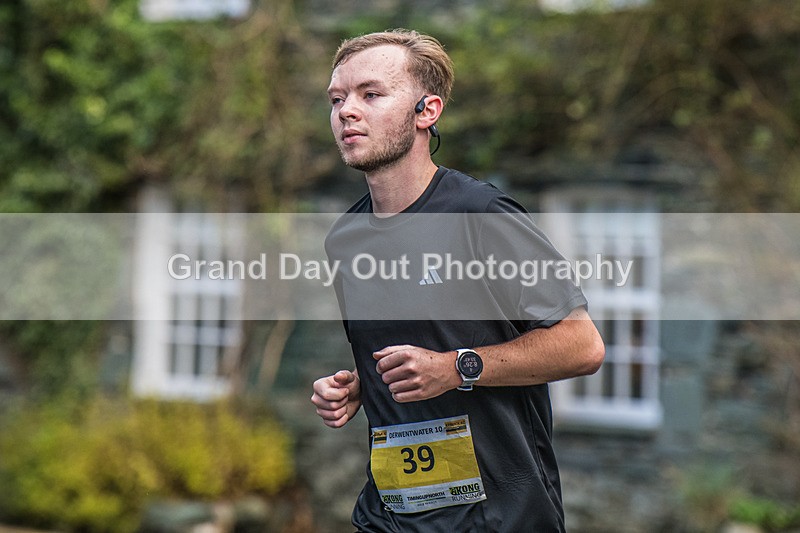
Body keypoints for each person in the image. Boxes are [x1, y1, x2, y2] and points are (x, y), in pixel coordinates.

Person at [311, 29, 605, 532]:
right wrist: (361, 384)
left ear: (427, 111)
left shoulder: (481, 214)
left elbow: (582, 345)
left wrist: (457, 368)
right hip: (390, 517)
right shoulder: (346, 238)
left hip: (499, 517)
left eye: (371, 94)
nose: (347, 111)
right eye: (338, 98)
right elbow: (423, 341)